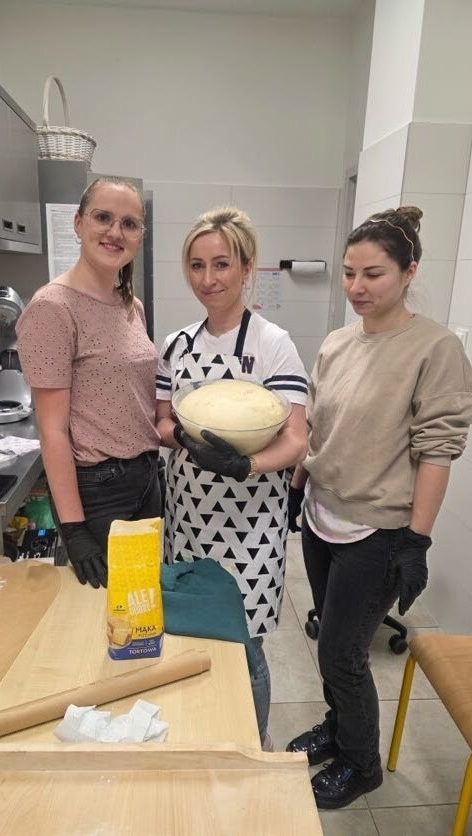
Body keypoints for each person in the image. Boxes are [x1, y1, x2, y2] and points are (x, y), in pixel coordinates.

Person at [286, 206, 472, 809]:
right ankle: (339, 725)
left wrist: (415, 542)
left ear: (409, 271)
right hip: (322, 517)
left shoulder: (434, 348)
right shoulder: (339, 342)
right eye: (350, 273)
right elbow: (318, 427)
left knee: (343, 654)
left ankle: (362, 763)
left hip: (378, 532)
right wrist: (298, 483)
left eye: (374, 274)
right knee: (331, 643)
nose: (357, 287)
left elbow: (437, 452)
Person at [156, 207, 308, 746]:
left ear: (246, 268)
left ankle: (253, 746)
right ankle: (203, 735)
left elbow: (296, 438)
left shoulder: (272, 343)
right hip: (188, 516)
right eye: (197, 265)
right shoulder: (176, 345)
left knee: (245, 645)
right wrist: (185, 441)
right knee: (193, 633)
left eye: (221, 264)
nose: (208, 278)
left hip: (251, 524)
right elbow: (162, 421)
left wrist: (246, 465)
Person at [17, 176, 160, 589]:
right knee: (107, 607)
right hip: (99, 492)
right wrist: (75, 528)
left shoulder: (130, 305)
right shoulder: (52, 307)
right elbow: (52, 431)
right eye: (103, 218)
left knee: (141, 600)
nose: (115, 232)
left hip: (146, 478)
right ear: (79, 224)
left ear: (139, 236)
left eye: (129, 223)